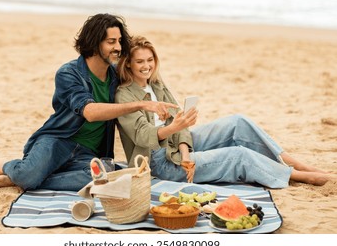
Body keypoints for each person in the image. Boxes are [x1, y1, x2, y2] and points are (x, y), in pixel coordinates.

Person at [0, 14, 177, 192]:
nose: (118, 47)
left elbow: (146, 71)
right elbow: (89, 112)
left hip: (90, 152)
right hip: (58, 141)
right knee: (28, 175)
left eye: (119, 41)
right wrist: (140, 104)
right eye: (111, 41)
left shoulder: (116, 74)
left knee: (104, 178)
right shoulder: (69, 73)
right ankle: (9, 166)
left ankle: (25, 180)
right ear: (95, 43)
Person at [115, 35, 332, 188]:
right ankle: (298, 175)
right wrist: (175, 129)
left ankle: (292, 162)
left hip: (177, 150)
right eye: (140, 61)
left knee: (238, 122)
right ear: (128, 65)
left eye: (150, 60)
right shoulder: (124, 95)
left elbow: (180, 125)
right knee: (239, 155)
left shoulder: (156, 85)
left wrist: (186, 155)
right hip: (158, 163)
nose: (147, 66)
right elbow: (144, 137)